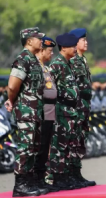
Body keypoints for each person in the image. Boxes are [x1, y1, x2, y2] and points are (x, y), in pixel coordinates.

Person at [5, 27, 49, 197]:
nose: (42, 41)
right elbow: (12, 86)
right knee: (25, 147)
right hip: (26, 110)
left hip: (35, 111)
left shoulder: (33, 59)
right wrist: (14, 100)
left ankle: (29, 182)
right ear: (29, 41)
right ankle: (20, 185)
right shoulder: (22, 59)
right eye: (39, 38)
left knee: (33, 146)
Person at [45, 33, 79, 190]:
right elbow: (49, 89)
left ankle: (64, 177)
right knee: (58, 146)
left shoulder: (67, 63)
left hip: (69, 112)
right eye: (73, 47)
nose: (75, 49)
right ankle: (56, 178)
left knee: (66, 146)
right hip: (60, 111)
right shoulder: (57, 64)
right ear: (64, 48)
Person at [68, 28, 96, 186]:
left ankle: (77, 173)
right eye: (83, 40)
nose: (86, 42)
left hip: (84, 105)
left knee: (81, 139)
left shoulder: (82, 60)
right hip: (75, 106)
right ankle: (70, 175)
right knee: (73, 140)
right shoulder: (72, 61)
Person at [34, 36, 60, 192]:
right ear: (41, 50)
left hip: (49, 112)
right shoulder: (35, 67)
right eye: (49, 51)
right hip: (40, 112)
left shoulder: (45, 67)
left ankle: (42, 178)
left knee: (45, 147)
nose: (51, 54)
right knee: (38, 147)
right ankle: (35, 180)